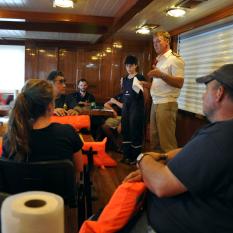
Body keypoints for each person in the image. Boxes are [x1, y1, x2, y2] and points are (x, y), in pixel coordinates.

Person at [124, 64, 233, 232]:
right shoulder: (220, 134)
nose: (203, 96)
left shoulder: (220, 138)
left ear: (219, 93)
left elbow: (161, 185)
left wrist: (143, 159)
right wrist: (163, 158)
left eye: (207, 90)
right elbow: (189, 152)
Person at [2, 79, 83, 175]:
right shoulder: (68, 133)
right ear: (50, 107)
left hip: (19, 190)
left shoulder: (11, 136)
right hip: (58, 190)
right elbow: (79, 168)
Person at [147, 31, 185, 152]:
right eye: (154, 42)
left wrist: (161, 75)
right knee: (154, 140)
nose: (155, 44)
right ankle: (158, 169)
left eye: (158, 41)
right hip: (155, 102)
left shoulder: (175, 59)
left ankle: (171, 169)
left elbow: (179, 83)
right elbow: (161, 83)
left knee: (166, 142)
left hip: (167, 103)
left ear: (167, 41)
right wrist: (147, 85)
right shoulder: (159, 60)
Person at [121, 55, 145, 164]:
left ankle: (135, 157)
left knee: (135, 130)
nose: (129, 68)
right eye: (127, 66)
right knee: (125, 130)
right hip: (126, 107)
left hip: (136, 107)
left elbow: (145, 95)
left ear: (136, 65)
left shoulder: (140, 78)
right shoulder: (124, 79)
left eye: (131, 66)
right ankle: (126, 155)